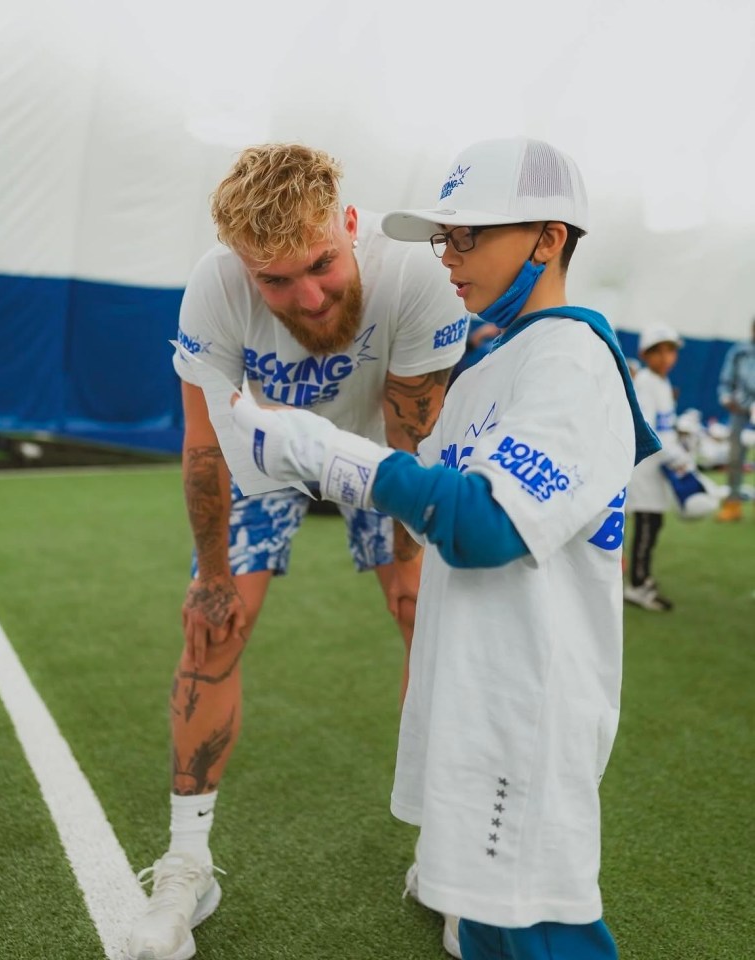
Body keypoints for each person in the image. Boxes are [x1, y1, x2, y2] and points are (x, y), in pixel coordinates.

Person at [226, 137, 660, 960]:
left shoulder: (571, 359)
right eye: (441, 238)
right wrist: (298, 444)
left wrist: (318, 448)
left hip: (523, 715)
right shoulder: (494, 359)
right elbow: (429, 510)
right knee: (489, 932)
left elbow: (484, 525)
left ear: (547, 239)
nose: (447, 258)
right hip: (481, 702)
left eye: (468, 237)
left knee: (539, 934)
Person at [126, 143, 467, 960]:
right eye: (274, 281)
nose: (307, 298)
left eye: (321, 264)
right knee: (212, 625)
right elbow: (204, 444)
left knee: (428, 616)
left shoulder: (414, 273)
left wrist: (407, 552)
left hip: (379, 449)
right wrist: (211, 576)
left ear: (350, 226)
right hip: (265, 454)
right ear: (242, 266)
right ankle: (185, 864)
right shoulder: (213, 283)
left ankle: (451, 860)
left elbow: (412, 434)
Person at [624, 324, 695, 611]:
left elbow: (665, 429)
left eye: (670, 350)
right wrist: (677, 455)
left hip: (657, 470)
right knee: (645, 526)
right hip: (643, 470)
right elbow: (650, 431)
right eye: (658, 351)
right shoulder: (645, 385)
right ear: (645, 354)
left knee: (653, 525)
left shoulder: (661, 383)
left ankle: (643, 579)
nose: (665, 357)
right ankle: (637, 585)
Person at [715, 318, 755, 521]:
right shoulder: (739, 352)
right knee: (734, 458)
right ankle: (732, 504)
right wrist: (726, 399)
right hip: (740, 412)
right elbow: (725, 381)